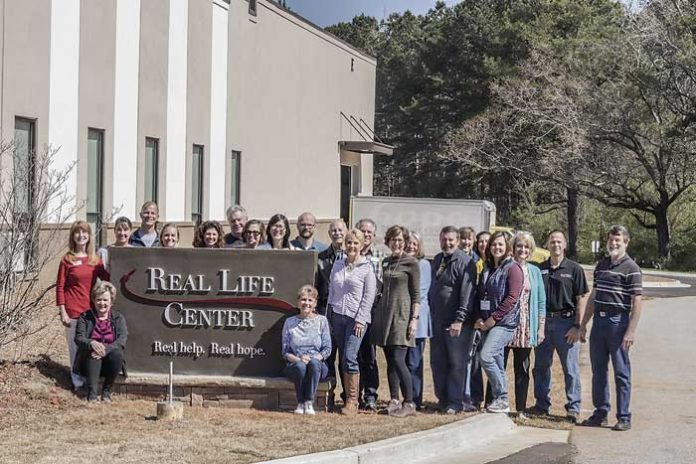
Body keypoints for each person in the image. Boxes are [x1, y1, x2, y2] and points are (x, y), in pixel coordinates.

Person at [580, 225, 642, 432]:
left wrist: (631, 331)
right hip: (599, 323)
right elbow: (594, 296)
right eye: (611, 240)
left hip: (619, 323)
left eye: (618, 240)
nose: (614, 244)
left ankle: (624, 416)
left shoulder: (631, 268)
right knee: (598, 371)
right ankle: (600, 413)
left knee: (621, 372)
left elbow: (637, 303)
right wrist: (583, 325)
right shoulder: (602, 265)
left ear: (626, 242)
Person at [529, 230, 589, 423]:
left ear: (564, 245)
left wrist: (578, 326)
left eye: (559, 241)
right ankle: (541, 405)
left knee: (570, 369)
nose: (555, 244)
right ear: (547, 244)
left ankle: (573, 408)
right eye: (552, 241)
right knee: (541, 367)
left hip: (567, 324)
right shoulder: (540, 269)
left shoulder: (574, 269)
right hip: (544, 323)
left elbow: (581, 299)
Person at [371, 225, 420, 417]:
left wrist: (414, 320)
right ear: (388, 241)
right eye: (393, 240)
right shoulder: (386, 262)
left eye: (400, 240)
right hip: (385, 316)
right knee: (390, 360)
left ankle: (409, 402)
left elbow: (416, 295)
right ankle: (393, 399)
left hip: (402, 316)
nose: (397, 243)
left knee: (400, 360)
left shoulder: (411, 263)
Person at [428, 226, 478, 414]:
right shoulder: (439, 259)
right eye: (444, 239)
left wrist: (459, 319)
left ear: (457, 241)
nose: (447, 243)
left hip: (457, 324)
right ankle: (443, 399)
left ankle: (455, 402)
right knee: (438, 363)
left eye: (451, 240)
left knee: (456, 364)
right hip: (437, 322)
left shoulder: (465, 262)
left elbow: (467, 294)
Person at [327, 228, 377, 415]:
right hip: (337, 316)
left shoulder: (366, 268)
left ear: (362, 244)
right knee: (342, 359)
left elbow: (369, 296)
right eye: (349, 242)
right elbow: (332, 290)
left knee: (350, 356)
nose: (352, 246)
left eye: (356, 242)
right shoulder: (338, 265)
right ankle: (345, 397)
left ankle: (353, 400)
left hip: (356, 319)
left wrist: (361, 320)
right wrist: (329, 315)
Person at [56, 221, 110, 391]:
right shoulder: (67, 260)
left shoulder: (95, 260)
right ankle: (77, 382)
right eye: (77, 232)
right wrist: (62, 311)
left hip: (90, 312)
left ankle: (90, 379)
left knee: (90, 346)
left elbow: (108, 279)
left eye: (84, 232)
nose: (81, 236)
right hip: (72, 312)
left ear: (89, 236)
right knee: (75, 348)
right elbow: (60, 287)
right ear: (73, 236)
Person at [473, 231, 523, 413]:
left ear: (507, 246)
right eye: (494, 244)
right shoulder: (486, 267)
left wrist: (492, 320)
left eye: (501, 244)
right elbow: (480, 294)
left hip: (503, 323)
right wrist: (479, 317)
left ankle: (502, 397)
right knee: (497, 361)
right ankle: (500, 402)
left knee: (486, 356)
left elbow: (512, 298)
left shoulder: (513, 268)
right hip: (485, 321)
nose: (497, 247)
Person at [503, 231, 546, 418]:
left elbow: (541, 302)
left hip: (526, 328)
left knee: (522, 369)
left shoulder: (535, 272)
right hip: (505, 326)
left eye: (526, 247)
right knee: (499, 367)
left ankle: (520, 409)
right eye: (519, 246)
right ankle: (495, 404)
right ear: (513, 248)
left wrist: (540, 328)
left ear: (531, 250)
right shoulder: (505, 268)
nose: (522, 250)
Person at [74, 281, 127, 402]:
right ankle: (92, 394)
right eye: (99, 299)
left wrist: (105, 350)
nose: (102, 303)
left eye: (105, 300)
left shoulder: (118, 318)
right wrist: (92, 343)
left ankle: (106, 391)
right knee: (93, 353)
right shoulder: (85, 317)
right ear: (93, 300)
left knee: (118, 353)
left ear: (111, 301)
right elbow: (79, 338)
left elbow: (121, 340)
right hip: (89, 361)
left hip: (110, 361)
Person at [282, 285, 331, 416]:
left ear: (315, 303)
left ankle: (308, 402)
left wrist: (314, 358)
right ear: (298, 302)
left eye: (310, 300)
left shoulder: (322, 321)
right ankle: (300, 403)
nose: (306, 303)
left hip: (318, 364)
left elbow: (327, 349)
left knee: (313, 364)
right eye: (303, 299)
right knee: (300, 366)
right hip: (296, 363)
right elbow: (285, 352)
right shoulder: (289, 322)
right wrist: (299, 359)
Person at [315, 219, 347, 407]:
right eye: (333, 230)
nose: (337, 233)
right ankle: (329, 395)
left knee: (347, 356)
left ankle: (349, 397)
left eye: (340, 230)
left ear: (346, 232)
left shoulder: (352, 256)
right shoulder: (320, 257)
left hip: (345, 312)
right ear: (329, 234)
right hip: (326, 312)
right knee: (328, 354)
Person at [356, 218, 386, 410]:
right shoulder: (349, 254)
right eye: (362, 231)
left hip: (371, 312)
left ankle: (370, 395)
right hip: (351, 311)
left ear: (374, 236)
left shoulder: (381, 256)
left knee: (369, 355)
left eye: (369, 232)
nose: (366, 235)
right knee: (351, 355)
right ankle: (352, 395)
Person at [405, 231, 432, 411]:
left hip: (417, 319)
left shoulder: (423, 264)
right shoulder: (402, 262)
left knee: (414, 362)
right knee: (403, 362)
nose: (411, 246)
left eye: (414, 243)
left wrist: (412, 317)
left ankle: (416, 398)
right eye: (408, 243)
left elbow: (420, 293)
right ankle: (406, 397)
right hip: (402, 319)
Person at [469, 230, 491, 408]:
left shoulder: (496, 264)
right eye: (480, 241)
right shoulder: (474, 263)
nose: (483, 244)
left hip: (493, 320)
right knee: (475, 360)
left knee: (491, 360)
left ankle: (492, 399)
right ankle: (477, 398)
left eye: (486, 241)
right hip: (476, 319)